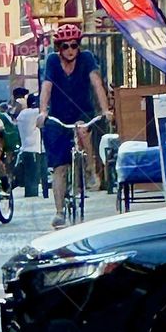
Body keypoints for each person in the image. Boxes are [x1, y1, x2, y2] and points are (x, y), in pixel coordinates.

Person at [36, 23, 112, 228]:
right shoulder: (52, 61)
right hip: (58, 115)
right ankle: (59, 211)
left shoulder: (86, 58)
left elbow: (97, 83)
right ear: (58, 48)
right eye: (65, 46)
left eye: (74, 45)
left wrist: (105, 110)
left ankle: (89, 168)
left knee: (82, 128)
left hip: (82, 110)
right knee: (59, 168)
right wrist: (43, 112)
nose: (70, 50)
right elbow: (46, 87)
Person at [16, 92, 43, 198]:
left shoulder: (22, 114)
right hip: (34, 149)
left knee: (29, 177)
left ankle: (30, 194)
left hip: (25, 148)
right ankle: (32, 196)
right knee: (33, 177)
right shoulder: (34, 113)